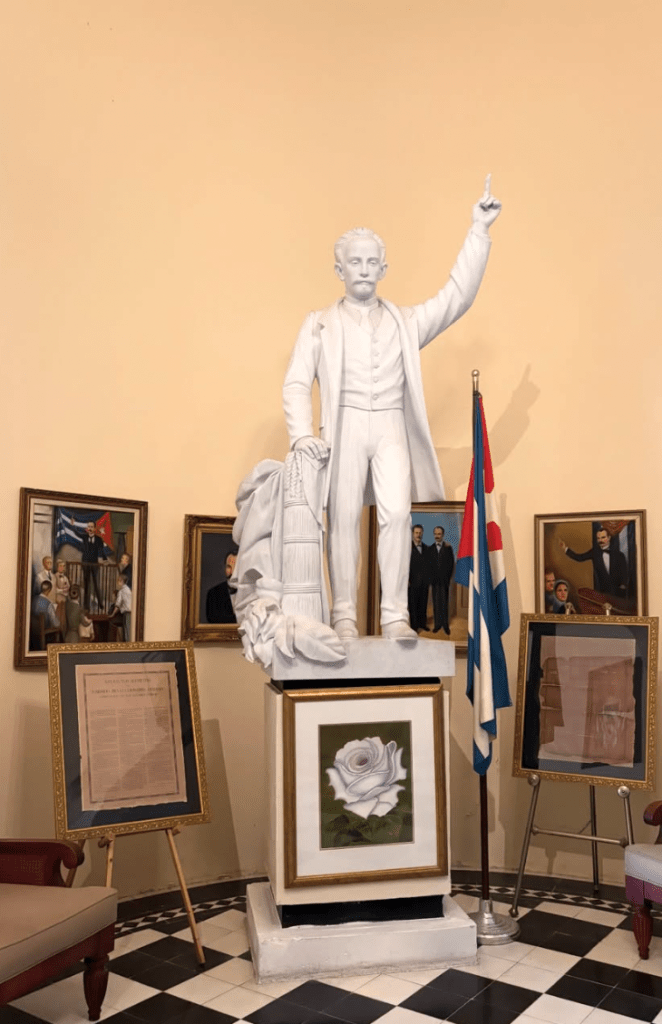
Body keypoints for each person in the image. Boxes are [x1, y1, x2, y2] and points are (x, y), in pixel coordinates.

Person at [283, 178, 501, 640]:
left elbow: (457, 297)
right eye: (354, 262)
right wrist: (302, 434)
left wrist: (478, 231)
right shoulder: (318, 324)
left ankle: (395, 615)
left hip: (389, 426)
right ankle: (344, 614)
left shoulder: (406, 322)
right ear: (339, 269)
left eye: (371, 262)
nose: (363, 269)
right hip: (343, 426)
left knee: (398, 516)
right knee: (343, 519)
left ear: (383, 267)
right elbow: (297, 382)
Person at [559, 527, 628, 601]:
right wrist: (565, 549)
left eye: (603, 537)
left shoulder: (619, 555)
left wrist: (622, 587)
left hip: (618, 593)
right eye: (598, 538)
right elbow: (579, 557)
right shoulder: (594, 552)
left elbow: (624, 572)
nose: (600, 540)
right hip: (601, 592)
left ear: (609, 538)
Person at [428, 525, 455, 634]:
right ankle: (437, 625)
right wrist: (431, 579)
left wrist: (447, 579)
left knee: (444, 603)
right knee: (436, 603)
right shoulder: (430, 549)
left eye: (439, 534)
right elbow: (428, 566)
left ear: (443, 535)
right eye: (435, 534)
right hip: (434, 582)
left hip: (444, 581)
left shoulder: (448, 548)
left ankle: (445, 625)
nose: (437, 536)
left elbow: (451, 564)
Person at [81, 520, 107, 612]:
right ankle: (86, 606)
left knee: (96, 584)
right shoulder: (84, 537)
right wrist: (73, 524)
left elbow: (101, 550)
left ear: (95, 529)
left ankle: (100, 604)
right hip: (85, 564)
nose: (90, 528)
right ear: (87, 528)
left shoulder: (99, 539)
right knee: (87, 585)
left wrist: (104, 559)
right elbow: (76, 532)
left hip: (95, 564)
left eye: (92, 527)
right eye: (89, 527)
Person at [408, 525, 430, 632]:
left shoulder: (426, 548)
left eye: (420, 533)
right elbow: (404, 566)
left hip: (424, 582)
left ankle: (422, 624)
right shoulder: (407, 548)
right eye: (416, 533)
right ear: (413, 534)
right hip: (412, 581)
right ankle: (414, 626)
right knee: (413, 604)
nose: (418, 535)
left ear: (422, 533)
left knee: (423, 603)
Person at [206, 551, 237, 624]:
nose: (232, 572)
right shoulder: (213, 593)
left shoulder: (252, 593)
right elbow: (213, 621)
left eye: (236, 567)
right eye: (229, 567)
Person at [109, 573, 132, 641]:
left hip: (126, 613)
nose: (118, 583)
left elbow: (117, 605)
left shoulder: (121, 591)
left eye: (118, 581)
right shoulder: (128, 590)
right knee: (128, 630)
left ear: (122, 581)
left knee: (126, 631)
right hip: (130, 612)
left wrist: (112, 614)